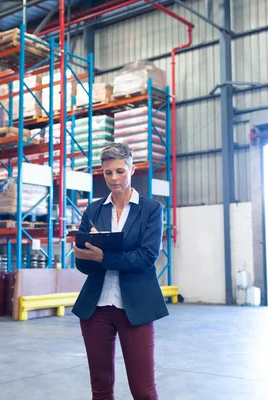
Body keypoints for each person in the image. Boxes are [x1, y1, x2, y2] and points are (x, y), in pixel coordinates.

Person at [72, 142, 168, 400]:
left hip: (136, 308)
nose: (114, 178)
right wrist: (83, 254)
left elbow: (146, 257)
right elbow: (83, 265)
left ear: (132, 169)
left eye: (120, 171)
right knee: (100, 389)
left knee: (143, 391)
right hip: (96, 309)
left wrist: (103, 256)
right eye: (107, 173)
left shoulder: (151, 209)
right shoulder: (93, 209)